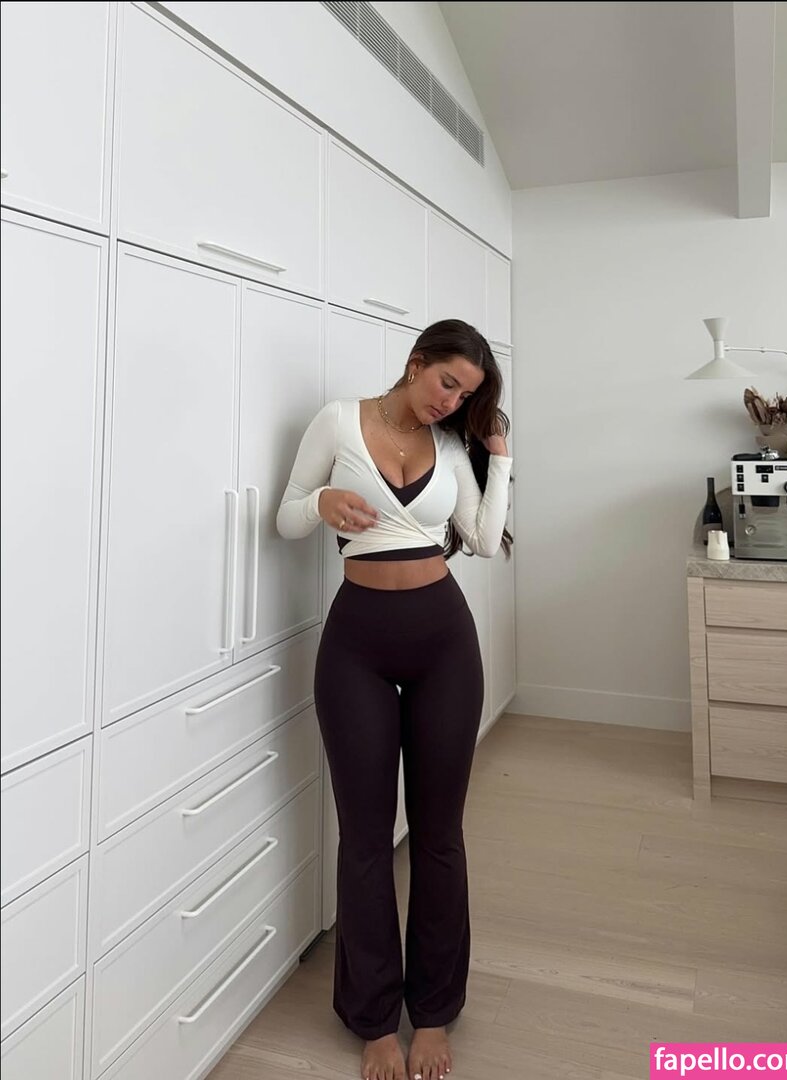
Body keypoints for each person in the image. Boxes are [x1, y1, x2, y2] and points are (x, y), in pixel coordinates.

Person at [276, 319, 513, 1080]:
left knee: (439, 835)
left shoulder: (453, 448)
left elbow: (482, 538)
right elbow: (285, 513)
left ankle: (434, 1010)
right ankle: (374, 1018)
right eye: (447, 382)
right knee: (365, 837)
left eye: (466, 395)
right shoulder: (339, 421)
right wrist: (321, 503)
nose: (451, 402)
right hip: (357, 647)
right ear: (416, 363)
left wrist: (501, 459)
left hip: (445, 644)